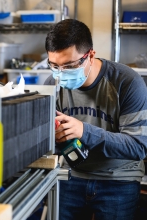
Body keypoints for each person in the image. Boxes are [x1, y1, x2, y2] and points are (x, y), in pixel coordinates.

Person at [44, 19, 147, 220]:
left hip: (119, 179)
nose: (60, 74)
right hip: (70, 174)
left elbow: (138, 146)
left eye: (69, 65)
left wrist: (84, 131)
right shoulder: (53, 84)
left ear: (91, 55)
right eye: (54, 65)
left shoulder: (127, 82)